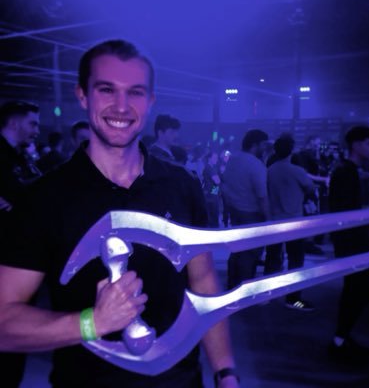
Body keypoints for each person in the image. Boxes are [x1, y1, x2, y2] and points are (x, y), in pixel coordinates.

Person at [0, 40, 239, 388]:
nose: (122, 106)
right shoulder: (43, 199)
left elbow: (203, 283)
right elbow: (3, 323)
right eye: (106, 89)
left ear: (151, 101)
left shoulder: (181, 185)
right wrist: (92, 322)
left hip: (181, 380)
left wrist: (225, 371)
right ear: (83, 96)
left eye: (135, 92)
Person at [328, 125, 369, 366]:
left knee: (358, 289)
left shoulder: (349, 171)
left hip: (353, 241)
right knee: (358, 289)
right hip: (352, 242)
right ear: (355, 145)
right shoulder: (346, 173)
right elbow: (344, 211)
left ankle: (342, 337)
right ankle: (340, 339)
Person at [0, 100, 41, 388]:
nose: (36, 130)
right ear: (14, 123)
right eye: (32, 124)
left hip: (20, 256)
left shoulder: (22, 158)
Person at [264, 135, 315, 311]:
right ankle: (293, 299)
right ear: (291, 150)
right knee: (295, 260)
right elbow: (310, 188)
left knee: (272, 258)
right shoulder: (297, 171)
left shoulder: (270, 170)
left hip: (274, 221)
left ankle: (267, 294)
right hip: (294, 221)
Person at [221, 129, 269, 289]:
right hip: (252, 214)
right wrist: (268, 217)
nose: (265, 148)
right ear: (254, 145)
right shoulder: (255, 164)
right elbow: (262, 195)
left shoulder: (233, 160)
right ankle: (244, 289)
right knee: (250, 253)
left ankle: (232, 285)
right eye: (263, 145)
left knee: (236, 250)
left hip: (236, 211)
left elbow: (224, 185)